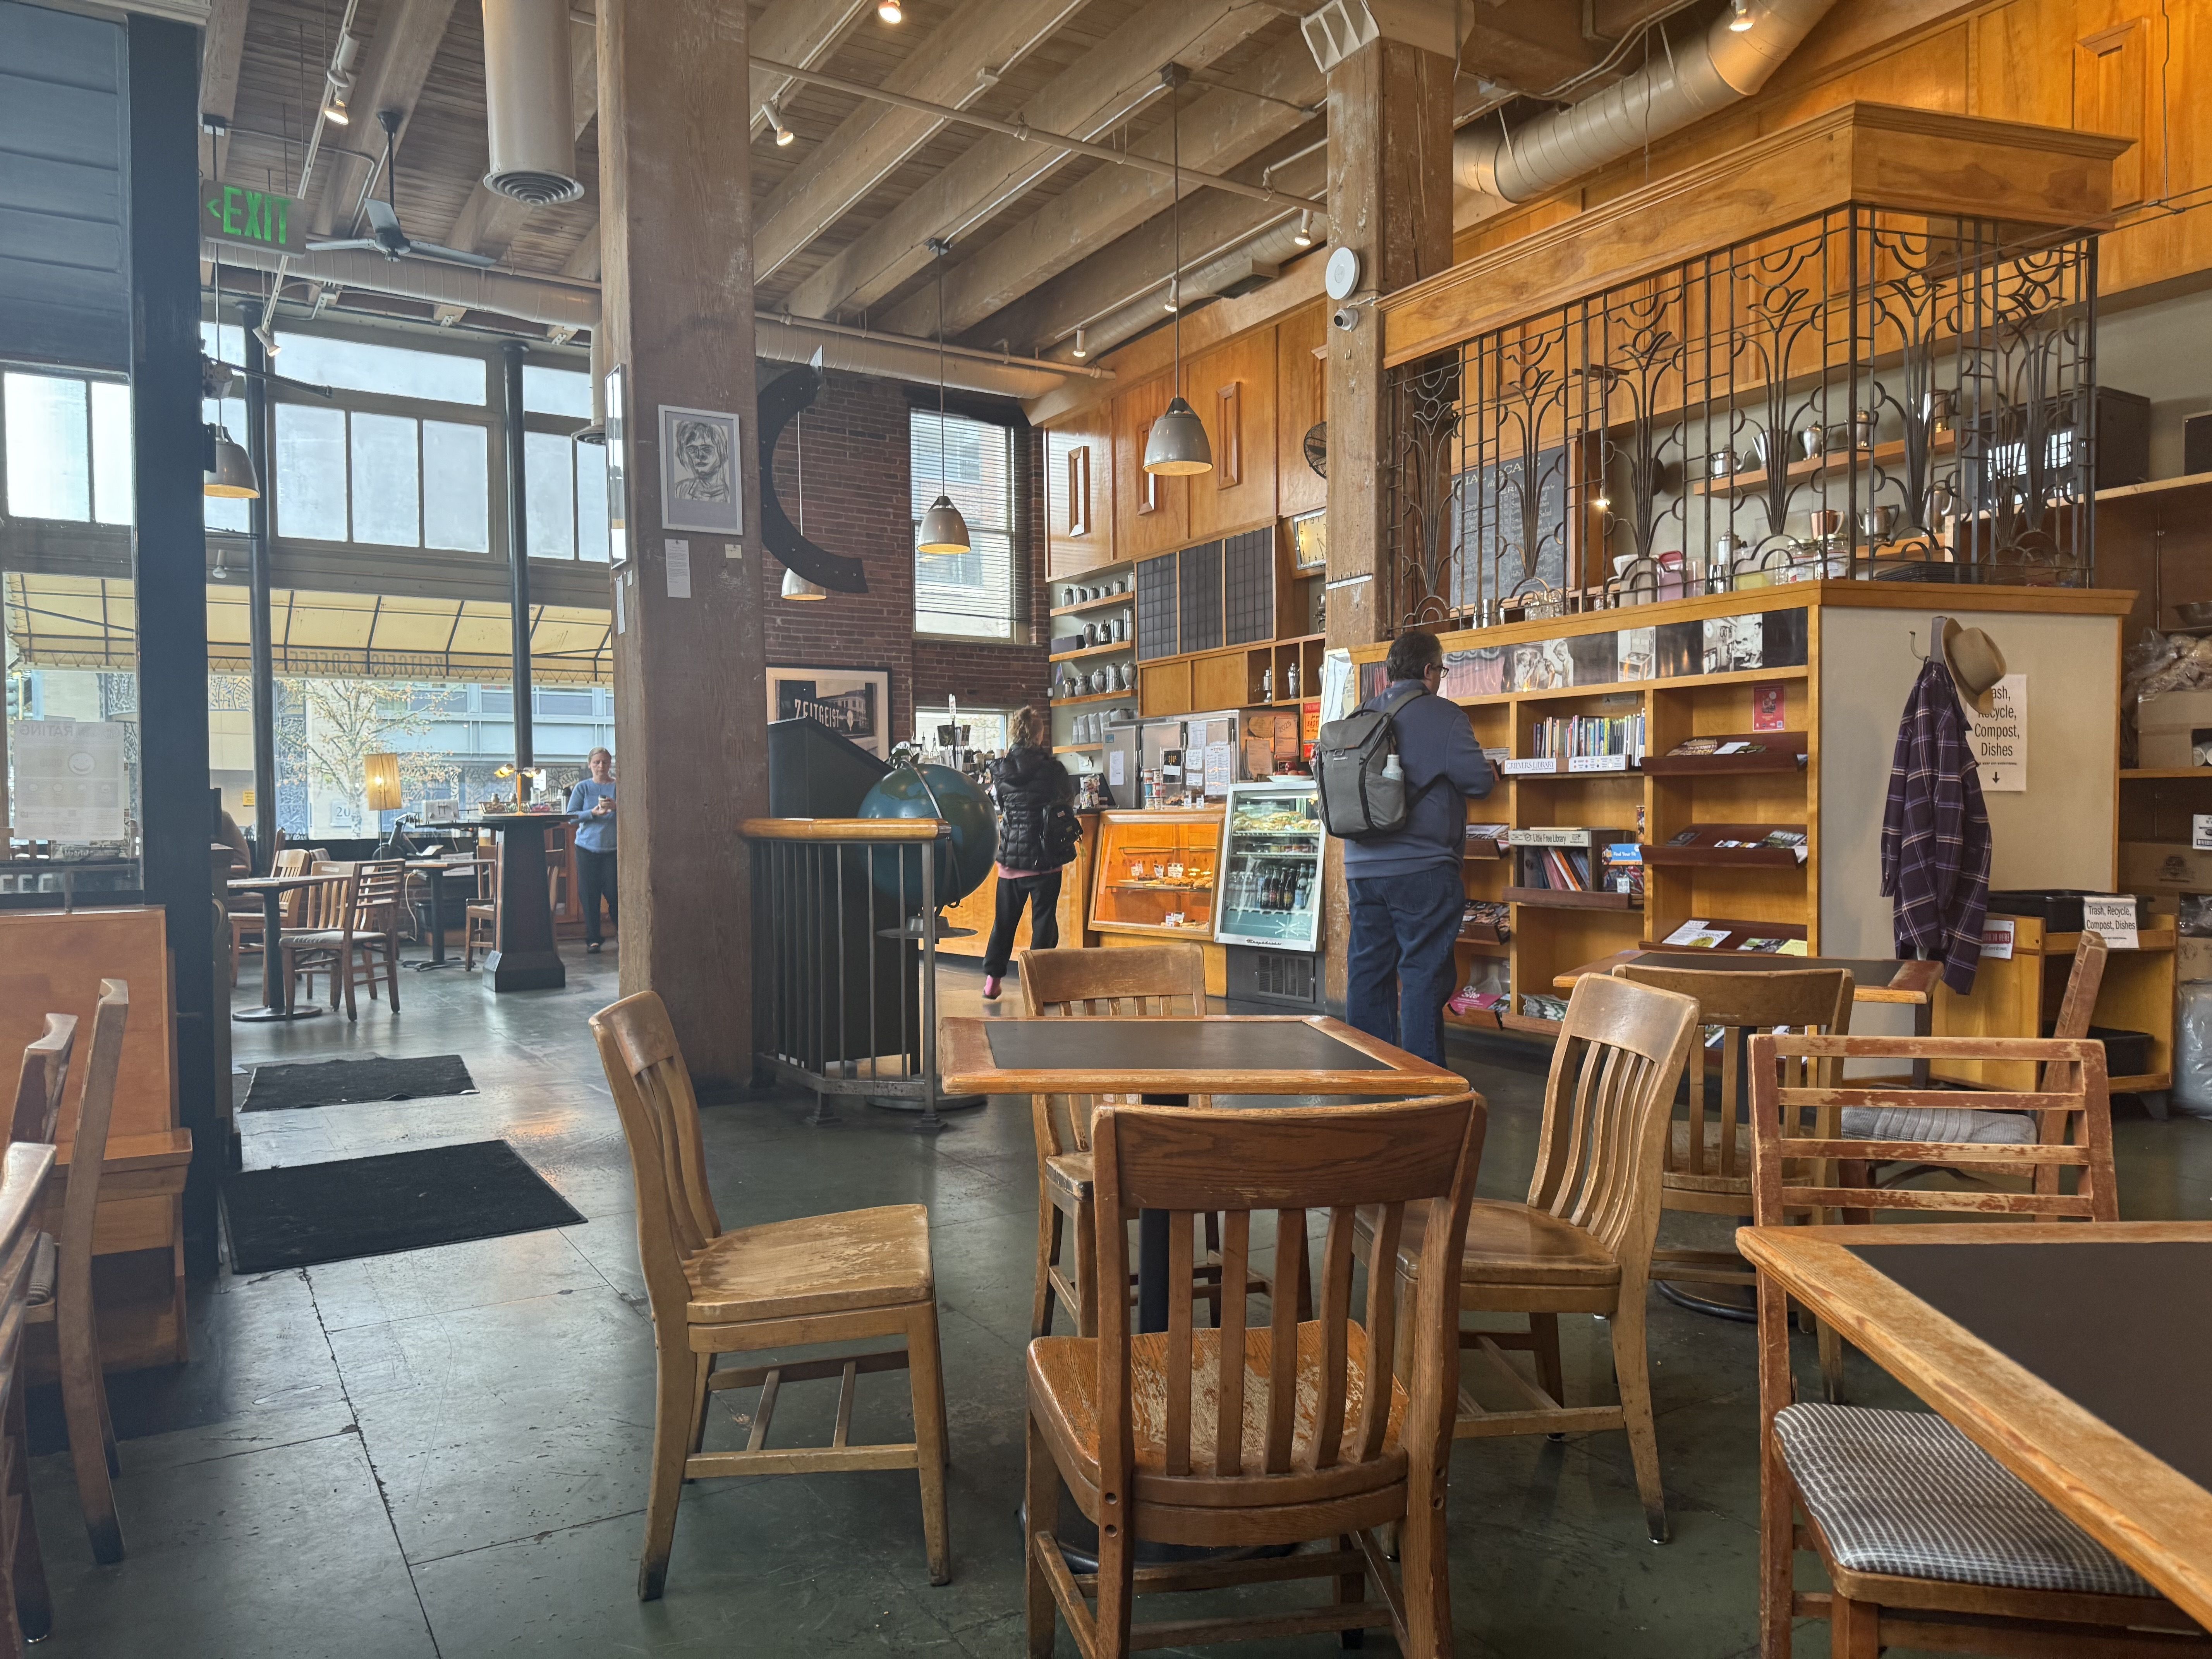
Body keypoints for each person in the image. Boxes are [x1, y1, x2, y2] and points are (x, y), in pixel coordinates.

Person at [1342, 630, 1496, 1066]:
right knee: (1422, 976)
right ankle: (1423, 1088)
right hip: (1422, 869)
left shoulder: (1360, 714)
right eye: (1441, 670)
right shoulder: (1444, 716)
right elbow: (1479, 783)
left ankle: (1369, 1078)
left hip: (1361, 869)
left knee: (1369, 973)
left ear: (1390, 673)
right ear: (1430, 671)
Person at [981, 706, 1076, 1001]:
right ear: (1039, 734)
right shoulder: (1054, 770)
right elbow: (1067, 802)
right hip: (1045, 860)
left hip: (1011, 859)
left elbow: (998, 805)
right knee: (1044, 924)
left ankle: (992, 983)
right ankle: (1039, 986)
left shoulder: (1000, 770)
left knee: (1004, 923)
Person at [566, 748, 618, 954]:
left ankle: (622, 933)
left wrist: (617, 807)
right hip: (586, 848)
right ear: (590, 765)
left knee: (615, 895)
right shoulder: (583, 788)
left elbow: (636, 811)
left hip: (614, 849)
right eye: (597, 762)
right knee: (589, 895)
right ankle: (593, 939)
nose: (601, 767)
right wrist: (592, 813)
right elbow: (570, 816)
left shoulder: (618, 787)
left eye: (605, 762)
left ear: (610, 764)